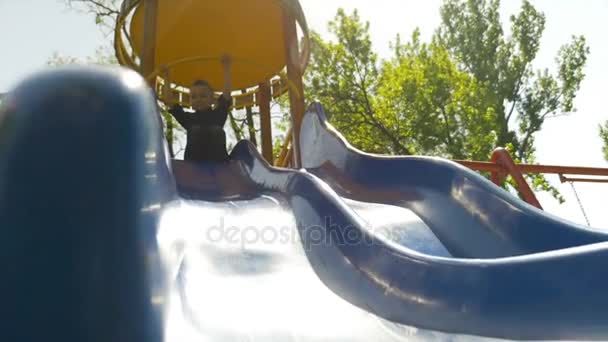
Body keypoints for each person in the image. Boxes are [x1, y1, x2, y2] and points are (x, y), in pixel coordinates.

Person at [162, 55, 233, 162]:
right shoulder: (189, 119)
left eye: (203, 96)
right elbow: (170, 102)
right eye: (193, 97)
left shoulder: (218, 115)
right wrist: (166, 77)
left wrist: (227, 69)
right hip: (194, 166)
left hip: (219, 165)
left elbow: (227, 94)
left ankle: (221, 161)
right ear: (190, 101)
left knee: (216, 131)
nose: (198, 99)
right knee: (195, 130)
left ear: (212, 100)